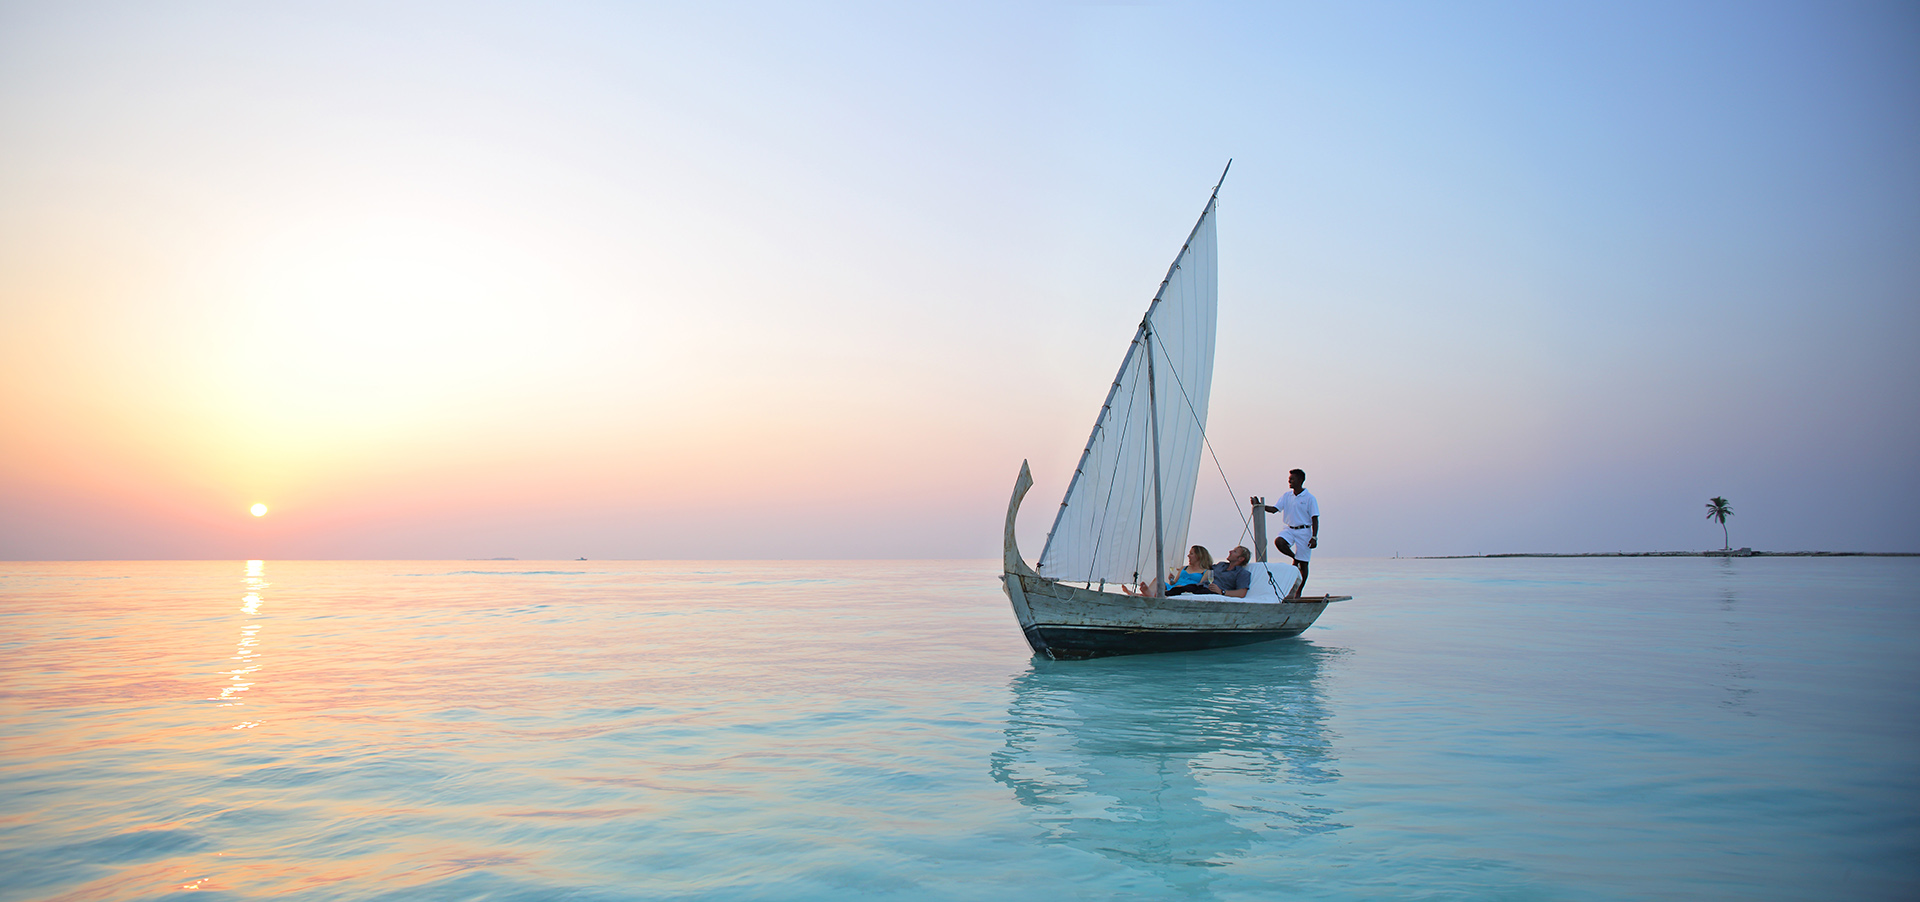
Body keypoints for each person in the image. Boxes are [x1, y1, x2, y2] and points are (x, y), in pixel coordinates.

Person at [1262, 469, 1319, 597]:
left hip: (1304, 531)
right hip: (1289, 529)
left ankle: (1299, 590)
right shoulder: (1287, 496)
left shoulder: (1309, 498)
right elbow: (1274, 509)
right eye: (1289, 478)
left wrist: (1314, 537)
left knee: (1304, 564)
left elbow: (1315, 518)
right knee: (1279, 542)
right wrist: (1261, 506)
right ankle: (1295, 558)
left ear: (1300, 481)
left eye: (1292, 479)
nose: (1289, 481)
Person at [1125, 545, 1218, 597]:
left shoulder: (1205, 572)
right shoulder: (1184, 568)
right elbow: (1174, 583)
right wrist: (1172, 580)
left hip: (1185, 590)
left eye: (1191, 554)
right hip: (1174, 588)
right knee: (1158, 579)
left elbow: (1200, 587)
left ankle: (1143, 595)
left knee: (1179, 586)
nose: (1188, 556)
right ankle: (1147, 594)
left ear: (1199, 556)